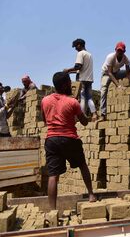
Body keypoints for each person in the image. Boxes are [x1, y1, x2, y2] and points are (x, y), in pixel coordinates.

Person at [41, 72, 96, 209]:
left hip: (52, 140)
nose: (71, 84)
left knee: (53, 176)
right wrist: (76, 115)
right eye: (69, 81)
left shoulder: (45, 100)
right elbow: (84, 122)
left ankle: (52, 210)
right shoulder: (73, 102)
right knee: (82, 165)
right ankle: (91, 195)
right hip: (69, 139)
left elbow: (45, 121)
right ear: (65, 84)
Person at [99, 41, 130, 121]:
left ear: (124, 51)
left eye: (121, 51)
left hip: (116, 72)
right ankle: (103, 114)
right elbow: (109, 72)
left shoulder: (126, 59)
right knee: (103, 91)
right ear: (115, 50)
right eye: (118, 50)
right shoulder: (110, 57)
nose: (119, 52)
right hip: (106, 74)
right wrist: (118, 85)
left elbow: (128, 72)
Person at [64, 39, 97, 120]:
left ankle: (82, 116)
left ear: (79, 45)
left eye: (76, 46)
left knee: (82, 98)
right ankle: (94, 114)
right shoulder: (89, 55)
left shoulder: (80, 53)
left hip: (82, 79)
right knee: (89, 98)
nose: (75, 48)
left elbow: (78, 66)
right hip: (89, 79)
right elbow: (81, 69)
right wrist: (70, 72)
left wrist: (68, 70)